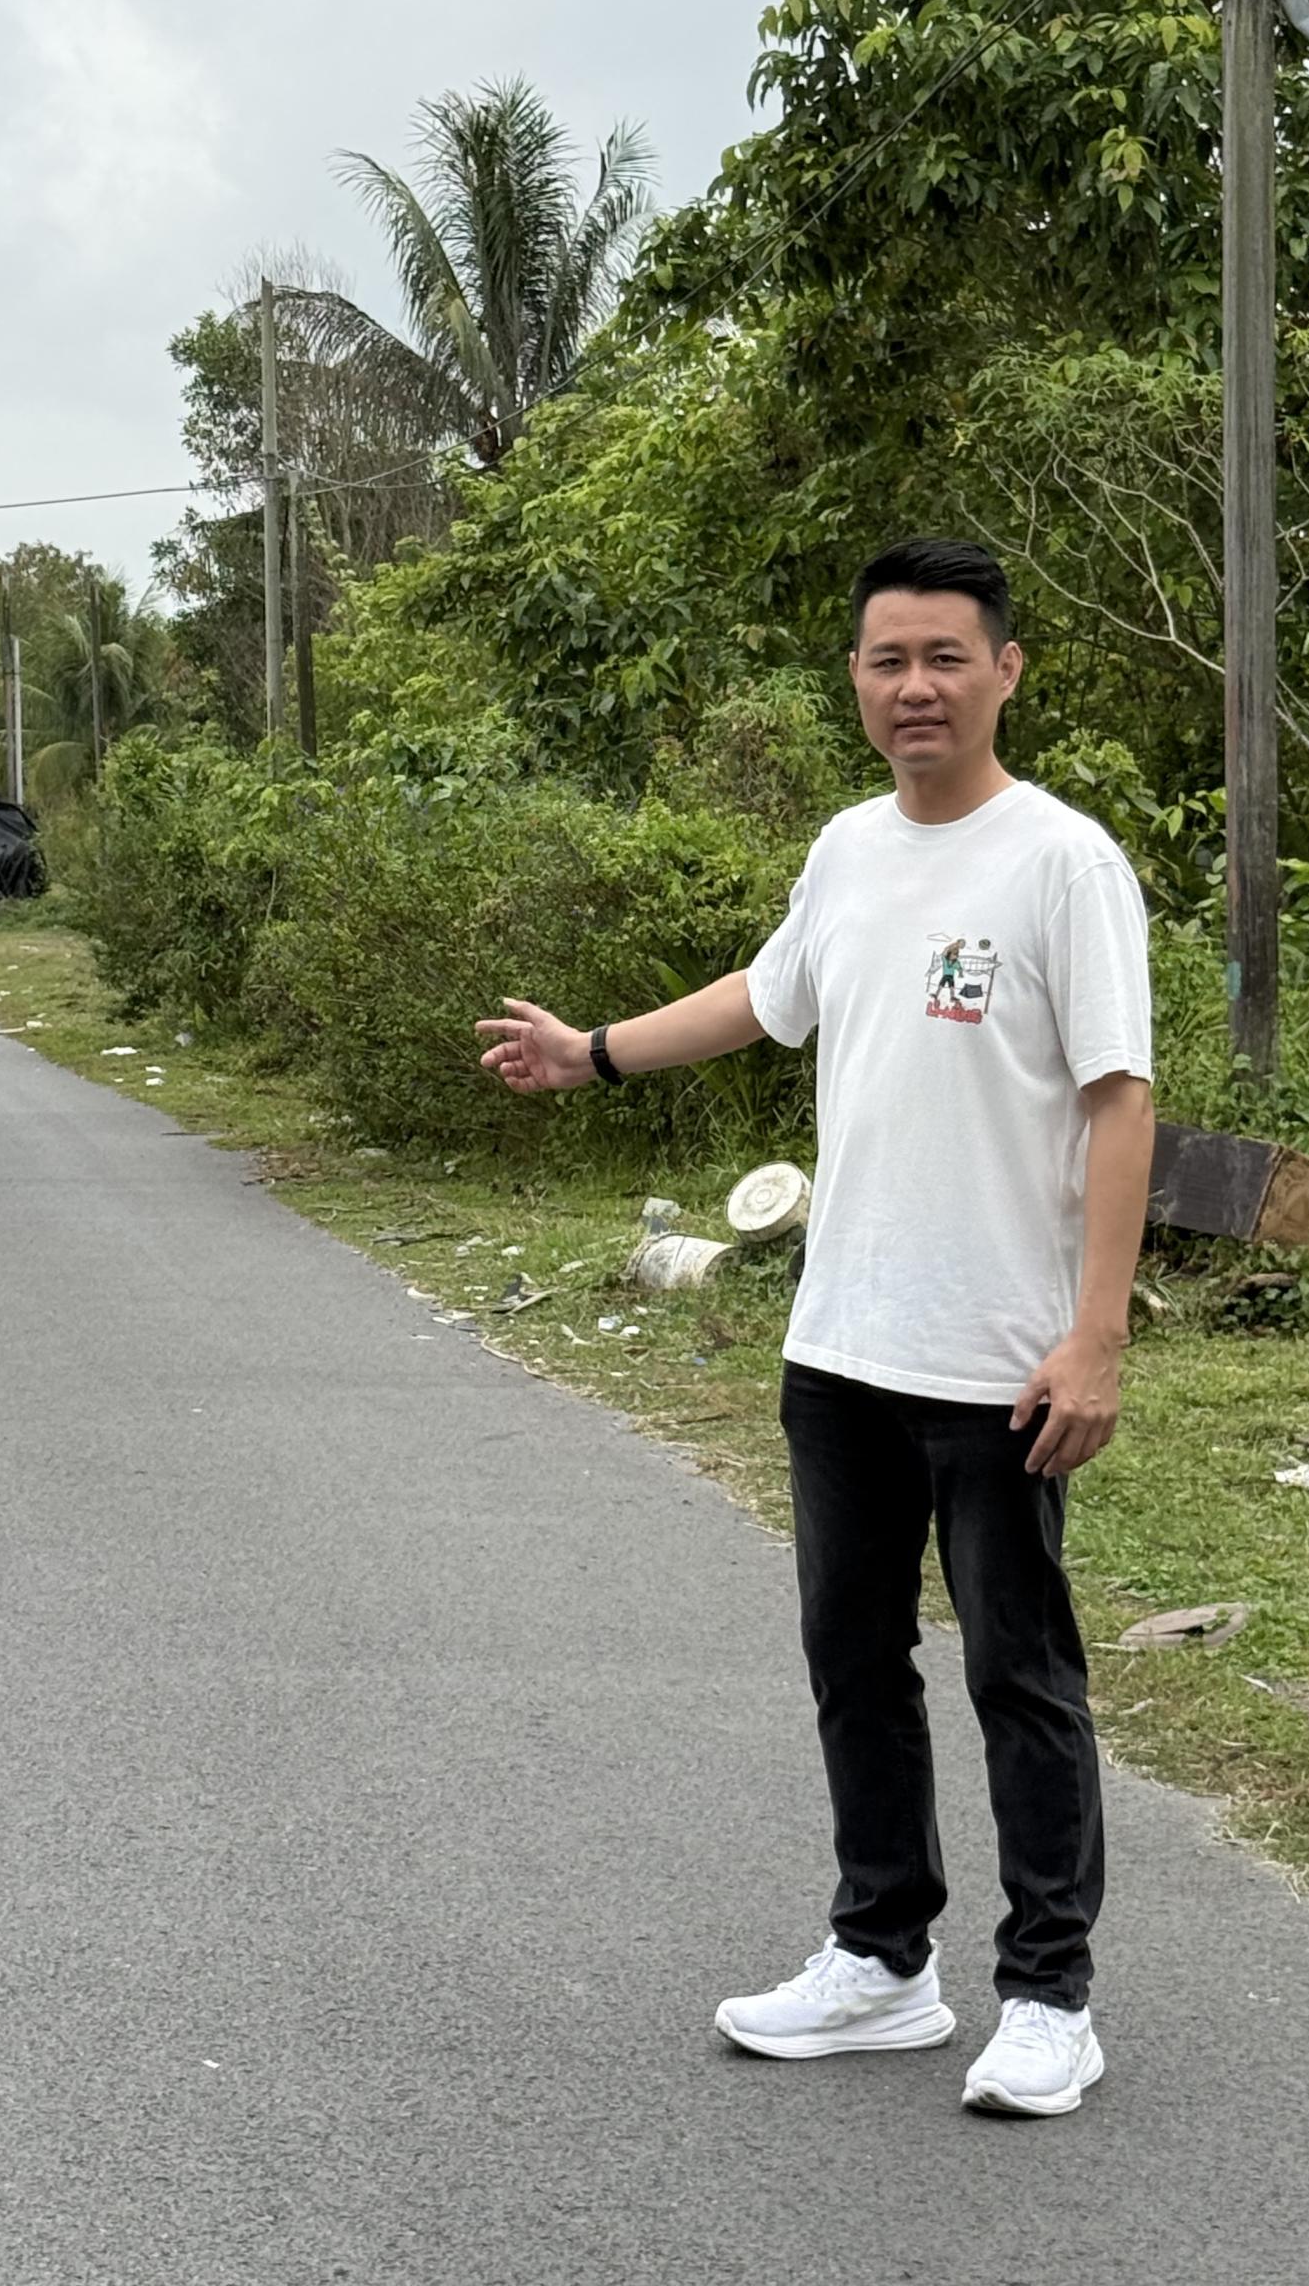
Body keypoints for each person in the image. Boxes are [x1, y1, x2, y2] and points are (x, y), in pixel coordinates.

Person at [476, 538, 1154, 2119]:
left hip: (999, 1357)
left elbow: (1122, 1103)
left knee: (1019, 1673)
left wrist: (1097, 1334)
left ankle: (1050, 1993)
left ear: (1006, 671)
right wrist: (597, 1052)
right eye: (883, 661)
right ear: (855, 680)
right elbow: (766, 996)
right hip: (842, 1344)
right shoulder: (850, 849)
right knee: (853, 1659)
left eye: (943, 657)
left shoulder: (1063, 862)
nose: (914, 686)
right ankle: (883, 1961)